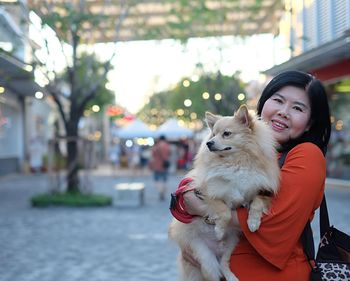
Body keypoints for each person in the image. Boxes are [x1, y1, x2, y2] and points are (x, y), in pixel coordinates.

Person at [170, 70, 331, 281]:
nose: (284, 112)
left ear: (310, 122)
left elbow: (275, 221)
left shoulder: (306, 154)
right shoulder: (248, 148)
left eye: (298, 108)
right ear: (264, 103)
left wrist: (201, 207)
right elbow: (195, 182)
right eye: (278, 100)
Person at [150, 135, 171, 201]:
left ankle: (160, 191)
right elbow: (169, 154)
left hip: (157, 166)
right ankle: (163, 192)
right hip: (164, 165)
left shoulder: (156, 146)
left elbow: (152, 155)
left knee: (157, 180)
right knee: (164, 180)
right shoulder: (167, 146)